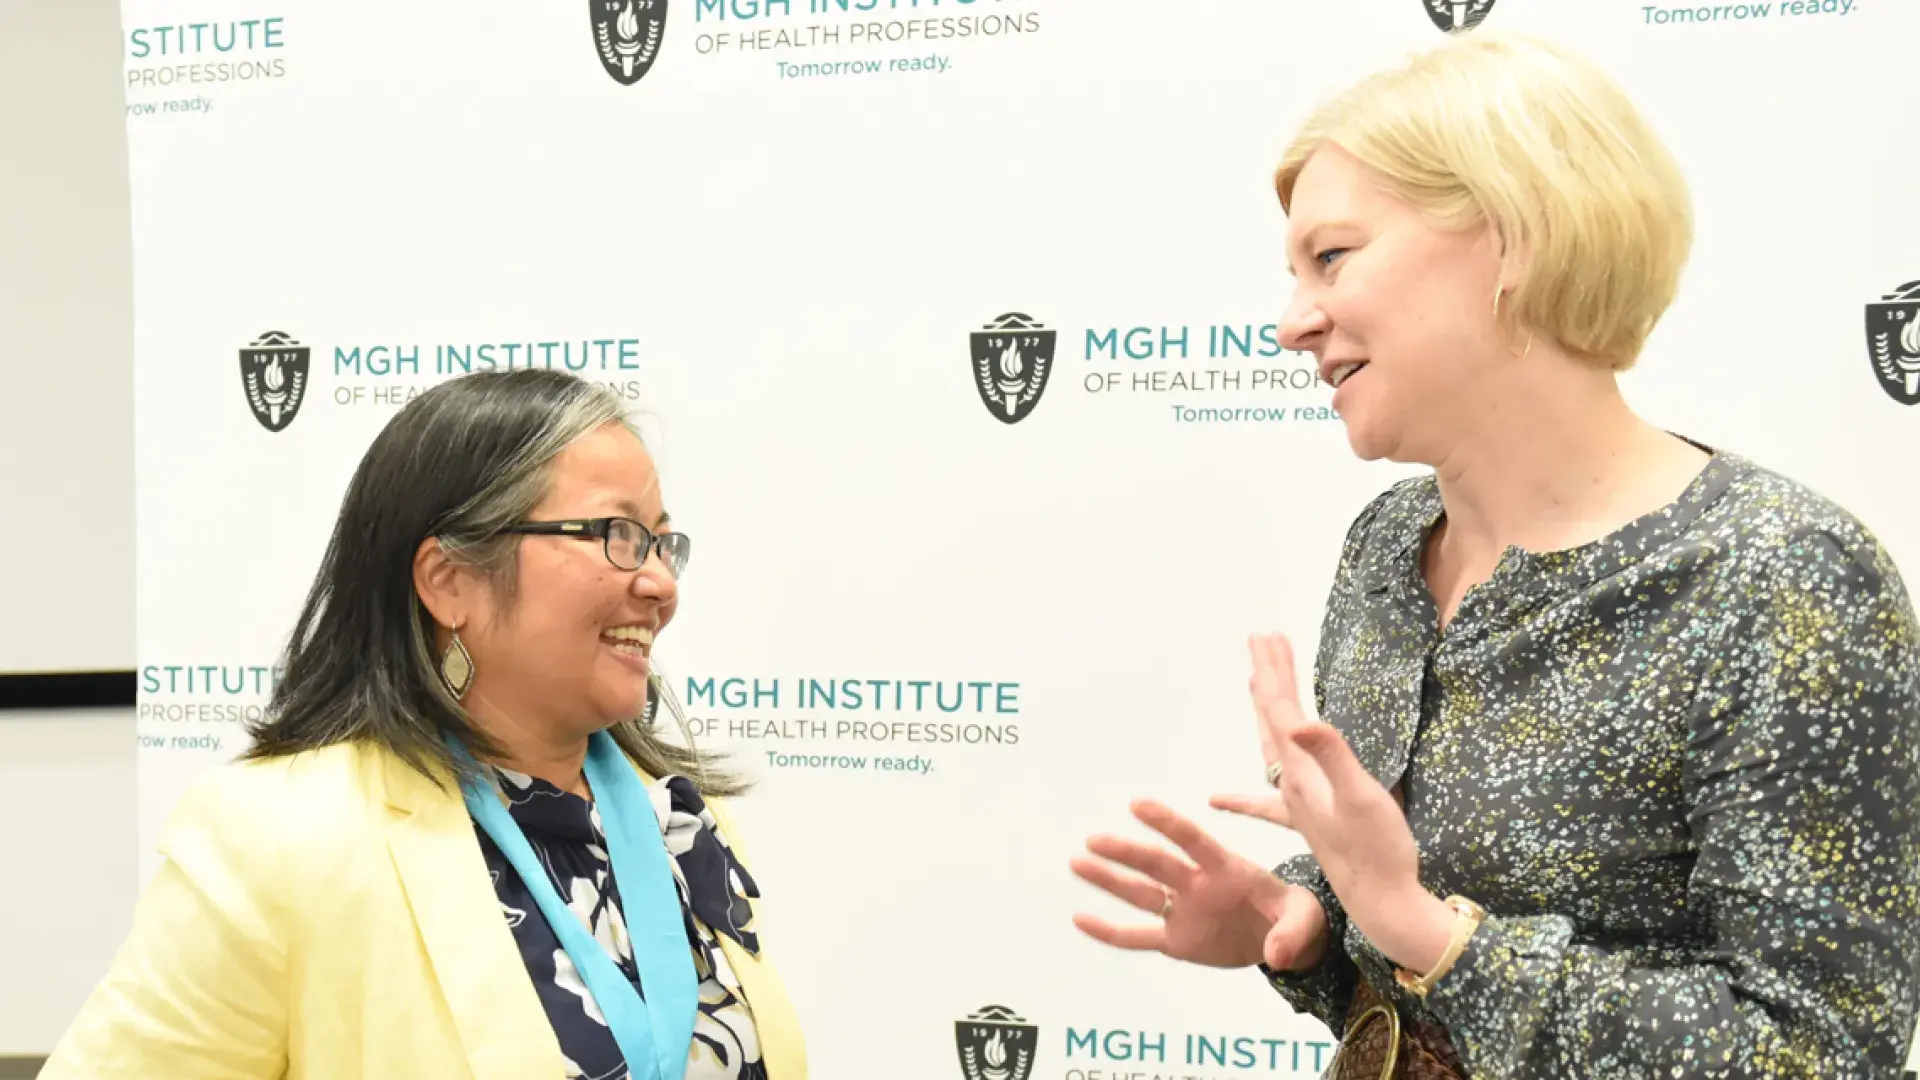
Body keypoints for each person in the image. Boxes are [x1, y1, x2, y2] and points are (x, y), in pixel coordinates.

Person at [1070, 30, 1920, 1080]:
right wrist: (1304, 923)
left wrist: (1432, 937)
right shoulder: (1386, 548)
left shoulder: (1780, 576)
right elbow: (1401, 943)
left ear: (1514, 237)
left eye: (1332, 256)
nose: (1292, 323)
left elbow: (1824, 1052)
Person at [43, 370, 808, 1079]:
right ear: (450, 582)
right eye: (615, 534)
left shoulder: (677, 822)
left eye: (660, 541)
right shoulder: (280, 839)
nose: (660, 582)